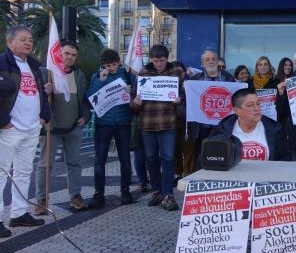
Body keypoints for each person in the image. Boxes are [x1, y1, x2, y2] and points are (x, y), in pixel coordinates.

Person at [0, 25, 50, 238]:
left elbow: (42, 94)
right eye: (23, 39)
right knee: (1, 174)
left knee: (23, 172)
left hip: (31, 129)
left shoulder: (35, 66)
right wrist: (3, 121)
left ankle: (19, 213)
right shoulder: (1, 64)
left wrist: (43, 116)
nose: (28, 42)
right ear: (9, 42)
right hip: (9, 129)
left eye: (30, 39)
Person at [34, 41, 91, 214]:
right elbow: (32, 96)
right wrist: (45, 91)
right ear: (59, 54)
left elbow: (85, 100)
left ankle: (75, 196)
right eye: (67, 53)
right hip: (51, 129)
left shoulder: (79, 75)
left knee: (74, 164)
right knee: (45, 164)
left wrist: (85, 117)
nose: (70, 57)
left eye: (73, 55)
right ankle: (41, 200)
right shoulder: (46, 73)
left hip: (73, 128)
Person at [131, 44, 184, 211]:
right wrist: (135, 103)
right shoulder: (143, 74)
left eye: (161, 61)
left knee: (168, 158)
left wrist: (179, 100)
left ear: (167, 59)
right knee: (152, 158)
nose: (159, 64)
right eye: (155, 61)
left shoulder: (176, 73)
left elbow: (184, 94)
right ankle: (156, 191)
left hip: (168, 123)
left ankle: (168, 193)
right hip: (147, 124)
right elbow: (133, 103)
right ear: (151, 59)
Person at [86, 48, 135, 209]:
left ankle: (125, 192)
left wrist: (132, 91)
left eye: (114, 64)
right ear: (103, 65)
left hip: (123, 123)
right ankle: (99, 194)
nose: (112, 68)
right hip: (103, 124)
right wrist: (100, 81)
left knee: (125, 160)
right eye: (108, 65)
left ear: (118, 62)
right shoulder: (96, 76)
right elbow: (90, 99)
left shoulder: (127, 75)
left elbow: (138, 95)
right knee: (99, 160)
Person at [186, 49, 235, 167]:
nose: (211, 62)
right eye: (207, 59)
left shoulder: (230, 79)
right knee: (200, 159)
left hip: (222, 128)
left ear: (218, 62)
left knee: (221, 158)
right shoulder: (194, 80)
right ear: (202, 64)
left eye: (213, 59)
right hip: (201, 129)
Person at [215, 89, 290, 161]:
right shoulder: (222, 131)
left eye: (258, 104)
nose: (257, 108)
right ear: (237, 111)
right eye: (250, 105)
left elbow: (285, 159)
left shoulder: (274, 129)